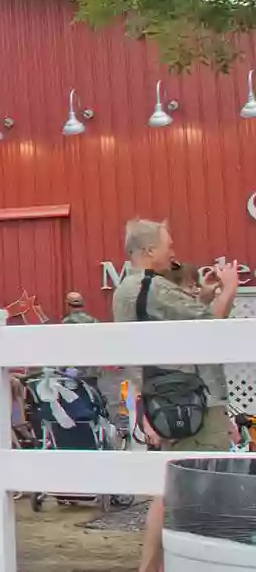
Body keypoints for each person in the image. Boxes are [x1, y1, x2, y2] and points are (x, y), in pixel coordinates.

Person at [110, 219, 238, 572]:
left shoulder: (128, 290)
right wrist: (229, 289)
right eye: (169, 245)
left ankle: (155, 566)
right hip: (193, 403)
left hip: (167, 402)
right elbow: (209, 328)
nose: (174, 252)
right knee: (192, 489)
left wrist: (204, 296)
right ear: (149, 251)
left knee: (169, 489)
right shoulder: (152, 287)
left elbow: (180, 323)